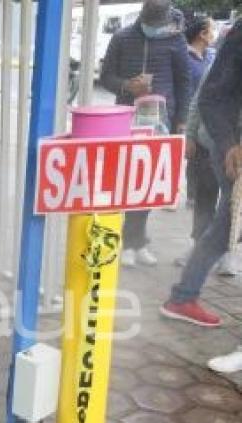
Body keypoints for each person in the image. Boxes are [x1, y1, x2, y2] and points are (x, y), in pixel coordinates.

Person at [161, 19, 242, 331]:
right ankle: (183, 295)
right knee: (225, 225)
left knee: (226, 226)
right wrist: (228, 143)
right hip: (232, 146)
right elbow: (208, 97)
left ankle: (183, 294)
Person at [100, 0, 191, 268]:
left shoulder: (176, 41)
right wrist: (127, 86)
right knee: (129, 179)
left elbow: (184, 83)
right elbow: (106, 77)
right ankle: (130, 242)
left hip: (161, 121)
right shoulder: (122, 37)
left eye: (158, 25)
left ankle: (137, 241)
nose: (154, 29)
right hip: (127, 119)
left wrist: (182, 121)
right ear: (141, 17)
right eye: (150, 24)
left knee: (151, 182)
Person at [178, 17, 220, 267]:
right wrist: (191, 135)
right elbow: (197, 101)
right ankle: (198, 247)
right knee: (205, 199)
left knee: (231, 205)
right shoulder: (218, 65)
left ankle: (226, 253)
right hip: (208, 144)